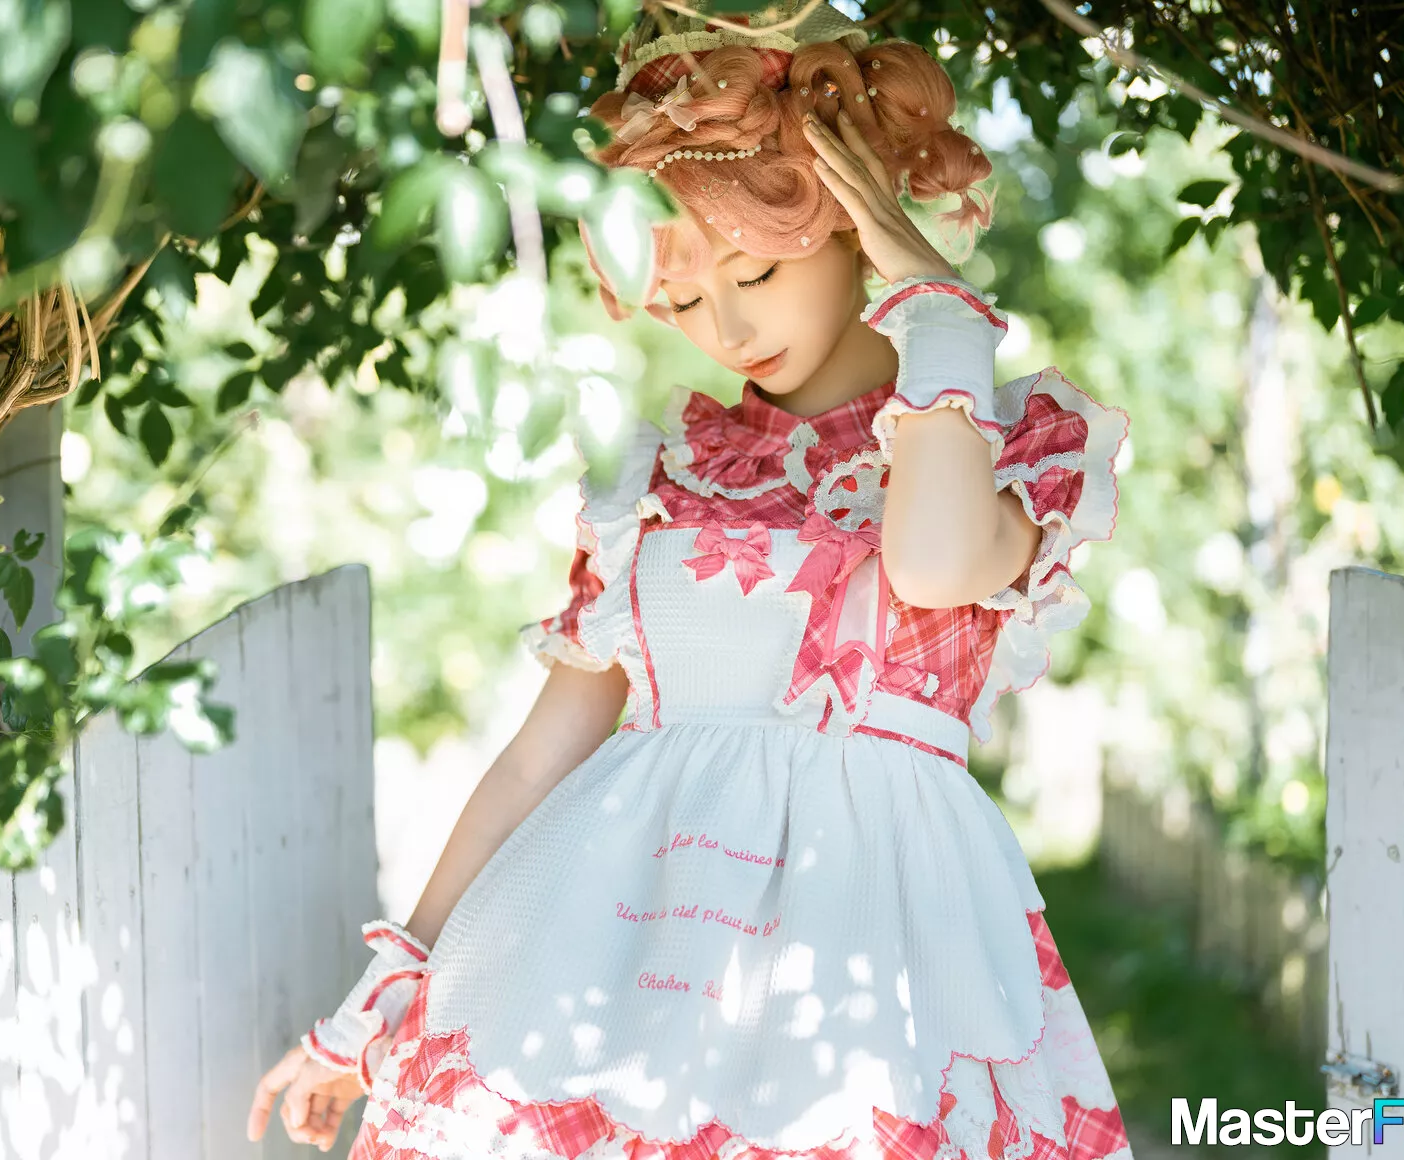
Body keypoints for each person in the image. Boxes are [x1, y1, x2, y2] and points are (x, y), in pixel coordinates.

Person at [248, 4, 1134, 1158]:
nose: (726, 326)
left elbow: (929, 564)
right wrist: (384, 990)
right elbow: (538, 755)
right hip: (617, 963)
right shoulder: (657, 480)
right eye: (679, 301)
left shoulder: (1012, 447)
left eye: (754, 268)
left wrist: (937, 306)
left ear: (849, 217)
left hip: (870, 976)